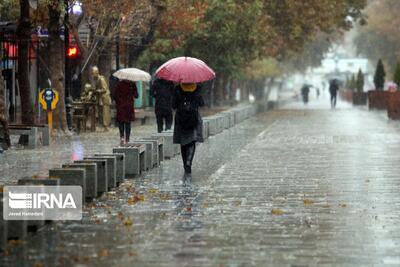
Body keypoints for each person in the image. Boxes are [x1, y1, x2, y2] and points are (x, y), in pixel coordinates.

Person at [172, 83, 204, 178]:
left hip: (181, 118)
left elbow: (173, 105)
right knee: (192, 141)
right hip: (193, 118)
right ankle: (188, 162)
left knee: (183, 142)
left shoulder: (177, 88)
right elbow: (202, 103)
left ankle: (185, 165)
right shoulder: (197, 88)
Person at [114, 80, 138, 145]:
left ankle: (122, 137)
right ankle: (127, 139)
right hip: (129, 106)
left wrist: (118, 101)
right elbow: (136, 95)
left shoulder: (119, 84)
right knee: (128, 123)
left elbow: (115, 95)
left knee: (121, 122)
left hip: (120, 106)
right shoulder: (132, 84)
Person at [92, 66, 112, 131]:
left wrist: (97, 91)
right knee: (102, 113)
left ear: (96, 73)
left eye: (93, 73)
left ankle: (106, 126)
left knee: (105, 112)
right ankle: (104, 125)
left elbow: (104, 89)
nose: (92, 75)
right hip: (102, 98)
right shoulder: (97, 79)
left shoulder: (101, 79)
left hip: (105, 98)